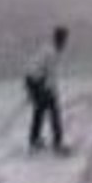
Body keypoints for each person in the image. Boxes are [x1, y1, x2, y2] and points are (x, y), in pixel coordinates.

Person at [24, 26, 70, 155]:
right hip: (37, 81)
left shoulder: (49, 49)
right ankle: (57, 144)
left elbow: (40, 70)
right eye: (64, 39)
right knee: (54, 111)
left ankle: (34, 140)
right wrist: (53, 94)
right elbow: (51, 76)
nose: (65, 42)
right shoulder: (52, 53)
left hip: (32, 80)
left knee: (39, 110)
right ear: (59, 39)